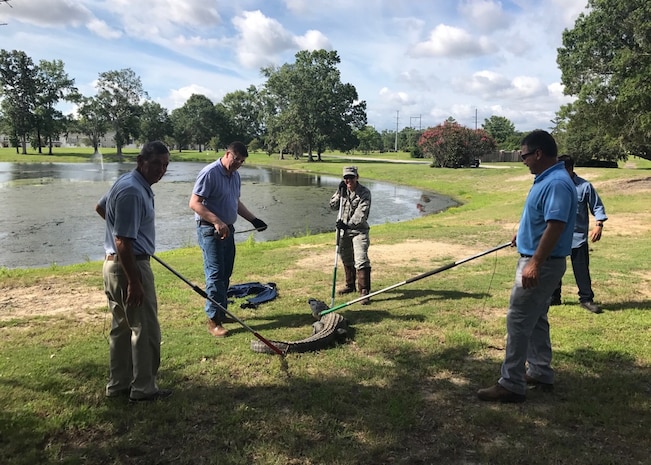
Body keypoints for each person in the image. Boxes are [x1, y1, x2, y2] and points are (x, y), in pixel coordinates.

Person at [477, 130, 577, 403]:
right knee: (536, 318)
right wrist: (521, 234)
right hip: (540, 259)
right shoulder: (547, 179)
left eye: (524, 156)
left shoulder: (556, 182)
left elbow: (556, 225)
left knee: (519, 319)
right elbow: (543, 217)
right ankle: (541, 371)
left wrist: (534, 262)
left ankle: (511, 383)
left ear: (539, 153)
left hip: (541, 264)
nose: (523, 161)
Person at [95, 141, 172, 402]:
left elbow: (101, 208)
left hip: (117, 264)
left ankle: (119, 385)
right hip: (129, 264)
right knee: (144, 328)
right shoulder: (132, 191)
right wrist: (135, 281)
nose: (160, 170)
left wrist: (129, 229)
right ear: (141, 161)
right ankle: (144, 388)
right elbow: (122, 241)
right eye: (155, 165)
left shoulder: (131, 183)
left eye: (165, 165)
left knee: (122, 327)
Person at [189, 141, 267, 338]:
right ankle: (213, 321)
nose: (238, 164)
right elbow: (194, 203)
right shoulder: (210, 173)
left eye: (241, 161)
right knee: (215, 275)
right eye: (236, 159)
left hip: (228, 230)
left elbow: (235, 202)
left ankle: (221, 311)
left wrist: (254, 220)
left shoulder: (235, 176)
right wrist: (216, 221)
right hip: (209, 230)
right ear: (227, 154)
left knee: (225, 273)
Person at [551, 155, 607, 313]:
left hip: (578, 237)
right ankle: (554, 297)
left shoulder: (585, 186)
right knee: (555, 268)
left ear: (569, 169)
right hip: (557, 236)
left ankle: (586, 299)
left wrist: (599, 225)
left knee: (581, 269)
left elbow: (597, 206)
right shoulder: (554, 186)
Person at [329, 166, 372, 304]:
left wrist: (348, 225)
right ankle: (350, 285)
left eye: (351, 177)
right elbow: (332, 206)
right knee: (346, 258)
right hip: (342, 232)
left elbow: (361, 214)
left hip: (358, 231)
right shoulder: (342, 191)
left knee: (361, 258)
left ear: (357, 177)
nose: (348, 180)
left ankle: (364, 291)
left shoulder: (365, 193)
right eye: (346, 178)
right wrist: (338, 193)